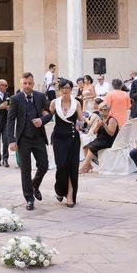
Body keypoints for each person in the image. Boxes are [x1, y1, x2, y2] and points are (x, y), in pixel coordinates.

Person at [7, 72, 52, 211]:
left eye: (30, 83)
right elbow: (10, 120)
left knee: (44, 165)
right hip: (23, 139)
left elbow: (50, 113)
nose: (27, 86)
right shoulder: (15, 99)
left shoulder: (40, 96)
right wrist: (11, 140)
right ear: (22, 83)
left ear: (33, 83)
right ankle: (29, 199)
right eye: (25, 83)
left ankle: (34, 185)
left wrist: (42, 120)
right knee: (25, 170)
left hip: (38, 138)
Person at [49, 79, 83, 207]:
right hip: (58, 138)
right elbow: (48, 117)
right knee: (61, 166)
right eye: (62, 88)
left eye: (67, 88)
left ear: (71, 89)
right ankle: (59, 189)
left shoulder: (76, 103)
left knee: (72, 168)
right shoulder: (54, 103)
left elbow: (81, 120)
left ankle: (70, 195)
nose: (65, 90)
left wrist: (90, 122)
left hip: (73, 138)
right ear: (59, 89)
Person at [79, 103, 119, 174]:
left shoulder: (112, 120)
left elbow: (111, 133)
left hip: (108, 141)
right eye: (101, 110)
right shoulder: (100, 119)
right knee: (85, 148)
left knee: (92, 147)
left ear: (108, 110)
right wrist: (97, 126)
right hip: (100, 140)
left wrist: (104, 125)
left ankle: (84, 167)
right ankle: (89, 166)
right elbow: (94, 132)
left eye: (105, 110)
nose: (103, 111)